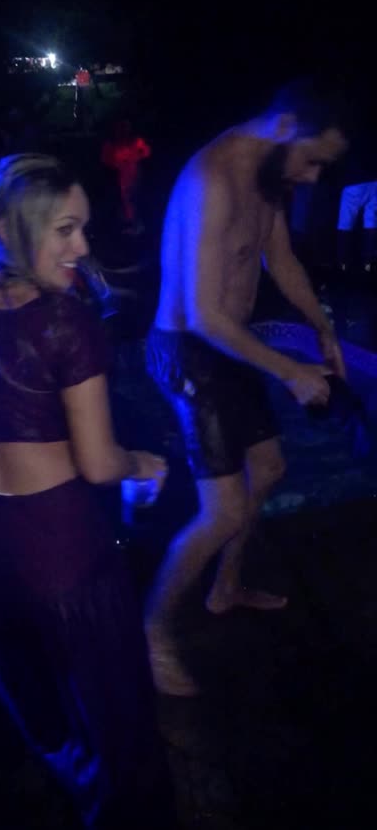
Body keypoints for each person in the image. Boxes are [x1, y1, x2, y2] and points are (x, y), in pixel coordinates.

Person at [0, 154, 175, 828]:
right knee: (114, 719)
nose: (81, 247)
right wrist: (143, 462)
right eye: (64, 230)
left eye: (83, 228)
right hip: (58, 557)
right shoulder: (63, 320)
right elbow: (99, 464)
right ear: (9, 228)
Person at [145, 78, 349, 696]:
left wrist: (323, 331)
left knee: (270, 469)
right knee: (224, 509)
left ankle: (225, 587)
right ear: (285, 129)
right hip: (189, 350)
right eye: (313, 161)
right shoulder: (213, 179)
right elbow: (204, 315)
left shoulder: (268, 174)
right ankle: (152, 631)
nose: (313, 177)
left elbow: (278, 258)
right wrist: (291, 371)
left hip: (229, 345)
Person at [101, 120, 151, 234]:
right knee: (123, 200)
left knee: (133, 198)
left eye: (125, 127)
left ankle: (137, 225)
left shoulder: (136, 141)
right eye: (120, 127)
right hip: (117, 176)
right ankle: (129, 224)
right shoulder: (112, 144)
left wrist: (137, 157)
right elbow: (106, 159)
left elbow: (146, 152)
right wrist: (116, 164)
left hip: (134, 174)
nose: (123, 130)